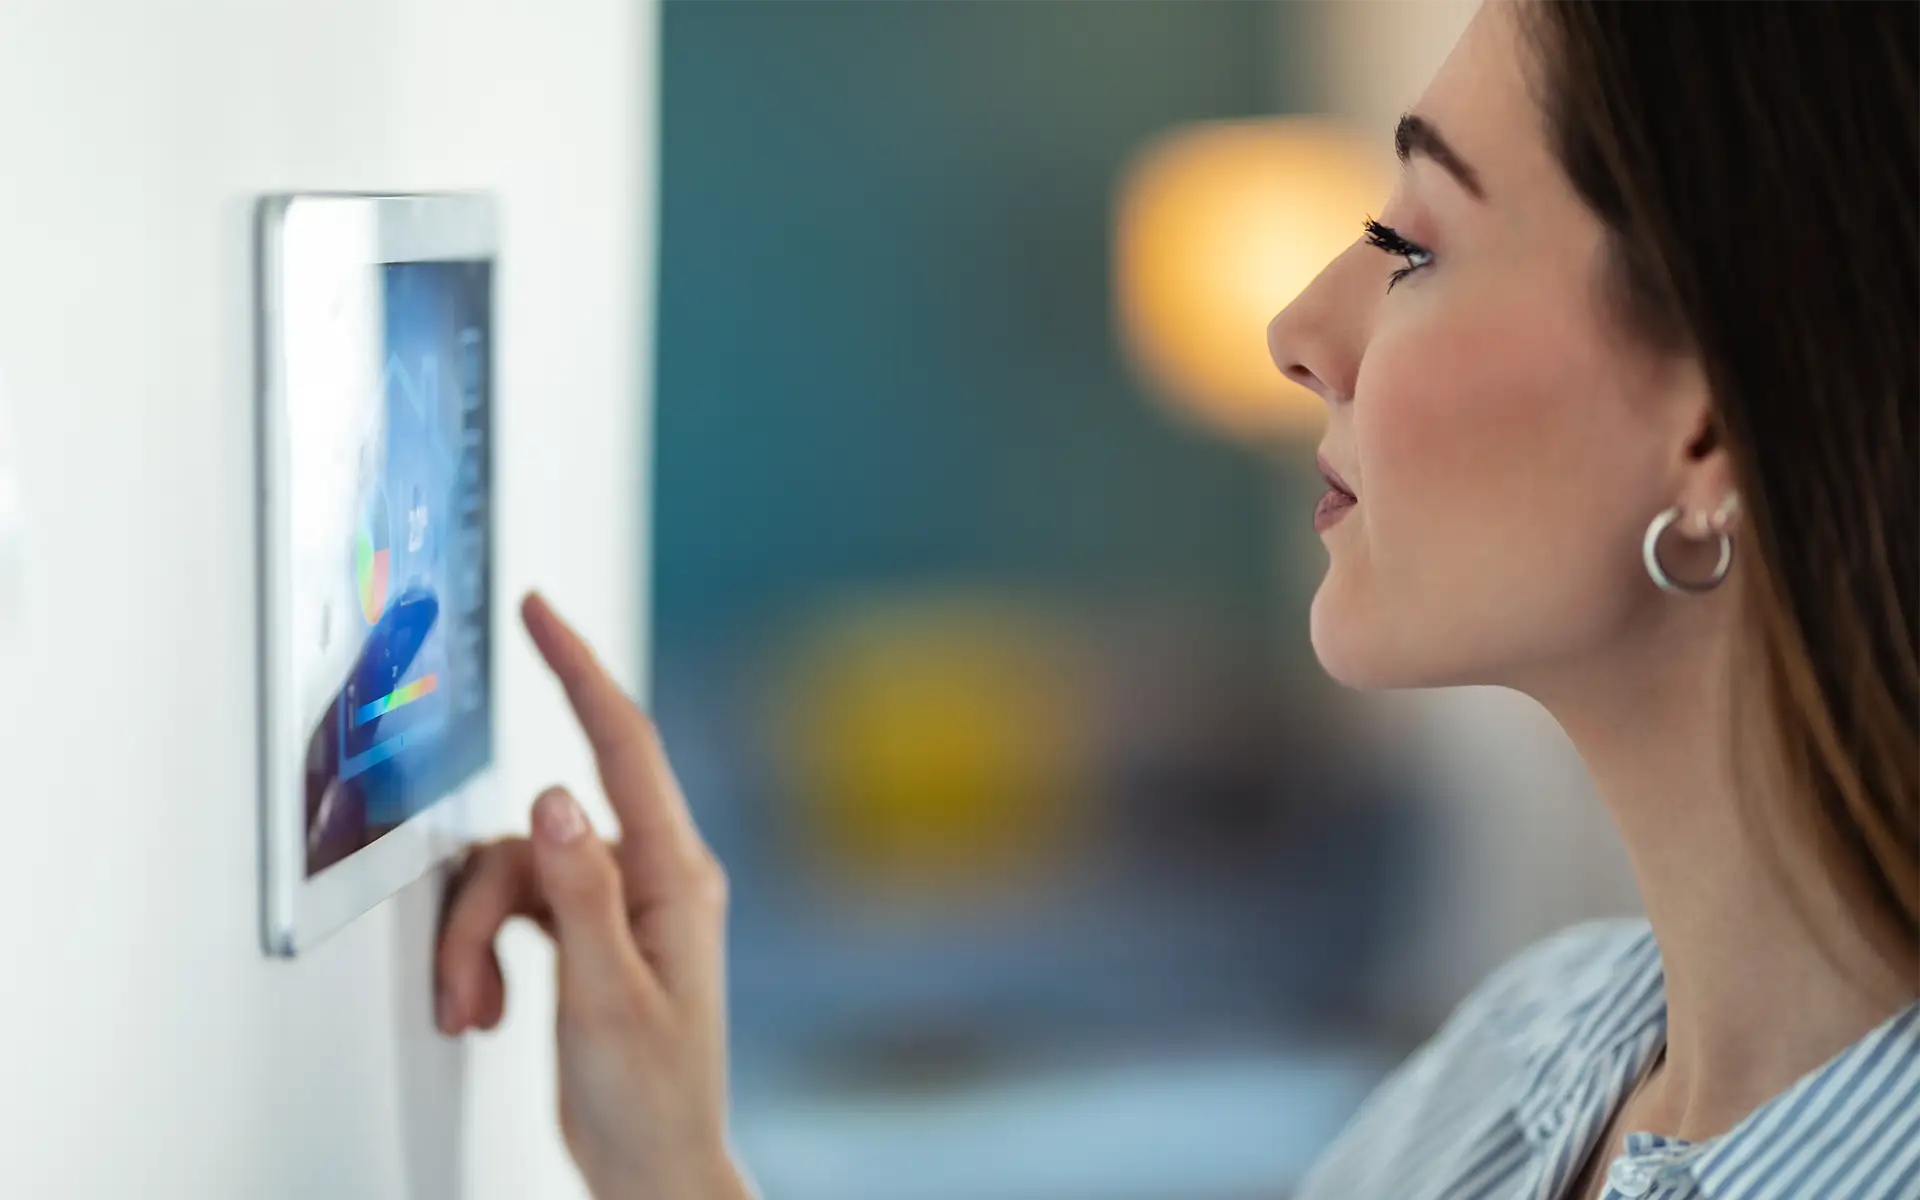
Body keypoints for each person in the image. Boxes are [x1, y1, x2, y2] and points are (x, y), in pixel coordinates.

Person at [434, 0, 1920, 1196]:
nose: (1297, 328)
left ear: (1714, 429)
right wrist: (675, 1165)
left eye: (1412, 244)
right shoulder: (1530, 1056)